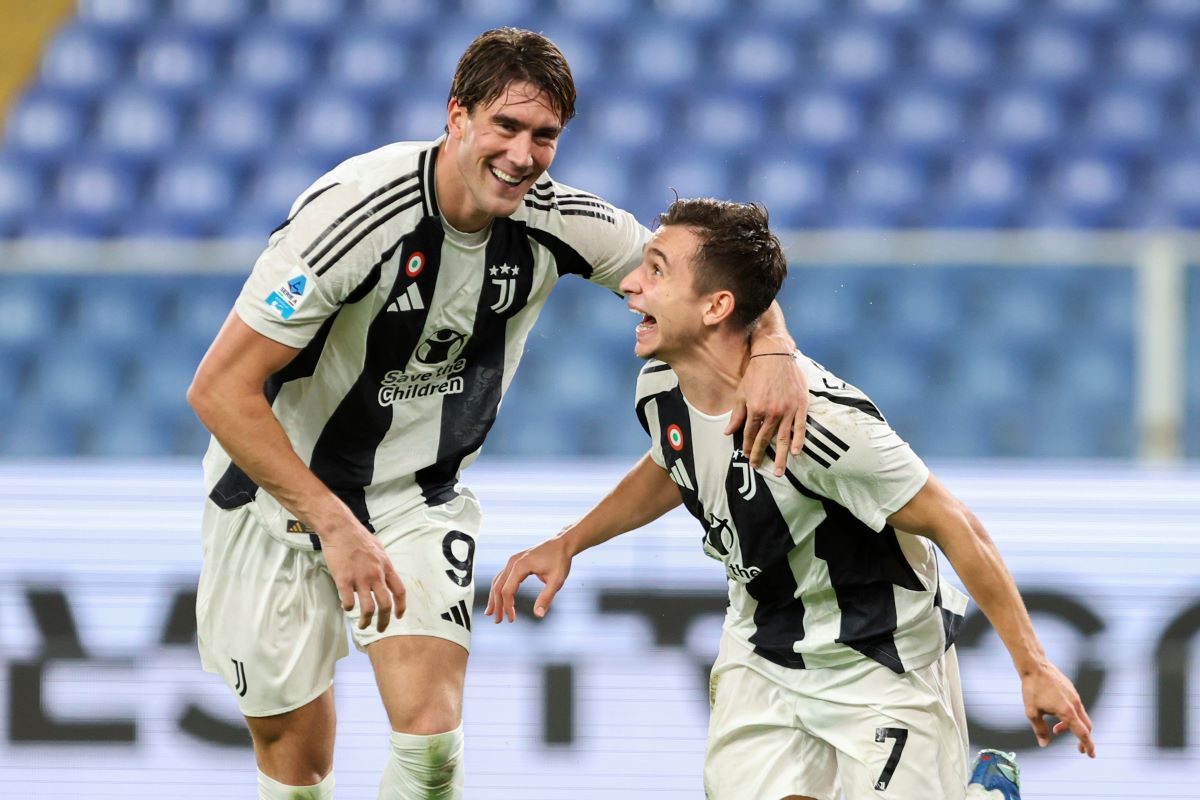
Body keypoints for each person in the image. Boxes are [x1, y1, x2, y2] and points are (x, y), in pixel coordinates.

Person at [186, 28, 809, 800]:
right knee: (296, 761)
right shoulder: (356, 216)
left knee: (430, 743)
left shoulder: (556, 219)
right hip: (278, 496)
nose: (523, 155)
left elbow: (714, 278)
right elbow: (218, 389)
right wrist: (332, 522)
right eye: (505, 128)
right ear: (457, 117)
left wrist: (776, 350)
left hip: (414, 496)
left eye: (544, 136)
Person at [486, 198, 1095, 800]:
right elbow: (676, 464)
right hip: (763, 649)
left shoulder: (822, 424)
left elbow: (956, 524)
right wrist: (571, 541)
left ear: (717, 307)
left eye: (656, 270)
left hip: (875, 658)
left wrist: (1033, 666)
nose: (629, 284)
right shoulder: (658, 387)